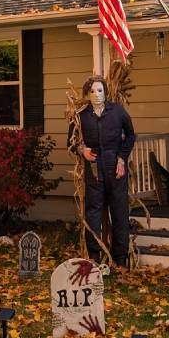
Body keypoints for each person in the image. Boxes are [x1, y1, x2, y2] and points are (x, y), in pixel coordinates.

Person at [71, 75, 136, 267]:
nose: (96, 94)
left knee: (119, 211)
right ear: (87, 94)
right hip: (94, 168)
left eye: (100, 90)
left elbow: (131, 135)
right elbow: (71, 142)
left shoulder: (117, 111)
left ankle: (121, 258)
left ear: (106, 92)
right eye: (92, 91)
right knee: (93, 212)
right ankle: (94, 255)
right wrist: (82, 150)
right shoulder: (81, 115)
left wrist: (122, 158)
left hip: (115, 167)